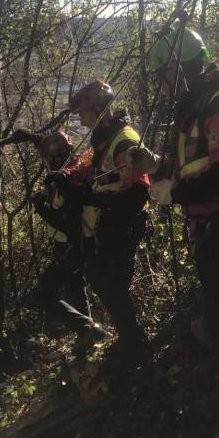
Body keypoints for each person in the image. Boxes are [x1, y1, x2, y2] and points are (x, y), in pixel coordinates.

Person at [139, 26, 219, 438]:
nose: (163, 86)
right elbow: (180, 168)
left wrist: (176, 193)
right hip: (207, 225)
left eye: (166, 76)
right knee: (217, 313)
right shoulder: (192, 112)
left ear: (182, 68)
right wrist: (154, 169)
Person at [50, 79, 150, 367]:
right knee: (99, 278)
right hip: (109, 224)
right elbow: (93, 169)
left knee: (112, 283)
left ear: (98, 110)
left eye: (83, 113)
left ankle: (134, 347)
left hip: (125, 222)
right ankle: (130, 341)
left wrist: (93, 200)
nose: (80, 119)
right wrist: (68, 177)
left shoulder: (124, 140)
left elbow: (139, 189)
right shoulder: (103, 139)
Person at [30, 130, 104, 348]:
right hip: (71, 246)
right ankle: (86, 336)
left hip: (73, 247)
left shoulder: (70, 180)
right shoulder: (68, 175)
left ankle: (87, 329)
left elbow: (68, 222)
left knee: (42, 294)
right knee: (75, 290)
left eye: (55, 157)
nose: (53, 161)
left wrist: (40, 208)